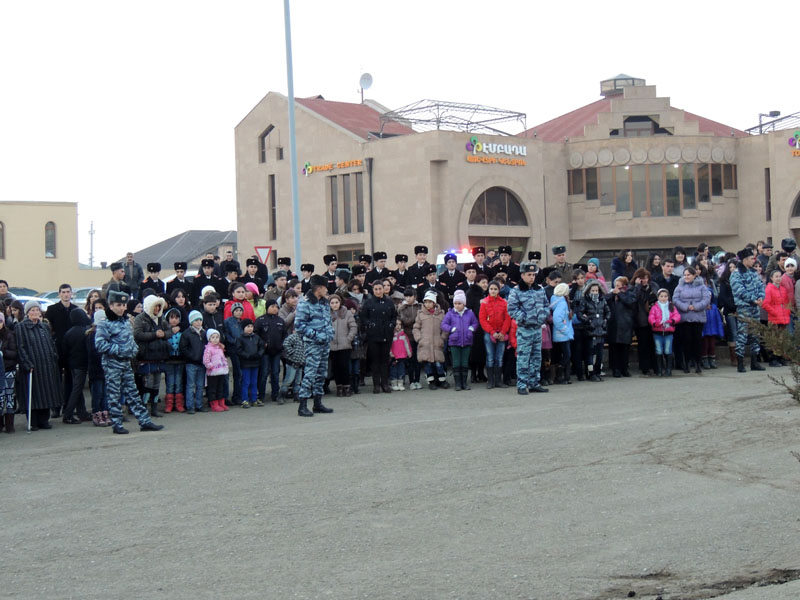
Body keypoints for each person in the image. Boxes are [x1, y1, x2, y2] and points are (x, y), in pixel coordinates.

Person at [95, 290, 164, 434]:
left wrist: (133, 350)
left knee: (133, 393)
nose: (121, 308)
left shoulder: (126, 322)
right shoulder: (104, 324)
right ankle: (117, 423)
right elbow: (100, 345)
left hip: (126, 363)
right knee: (114, 395)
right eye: (118, 305)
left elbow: (131, 340)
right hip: (112, 363)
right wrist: (120, 350)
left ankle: (144, 421)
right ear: (111, 305)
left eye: (123, 305)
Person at [15, 300, 62, 430]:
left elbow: (51, 344)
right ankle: (33, 421)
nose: (35, 312)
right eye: (32, 310)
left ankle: (44, 420)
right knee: (34, 394)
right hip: (32, 367)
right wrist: (27, 363)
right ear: (27, 313)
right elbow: (21, 347)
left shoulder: (44, 326)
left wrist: (54, 356)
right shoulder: (21, 327)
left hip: (47, 366)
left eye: (37, 310)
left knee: (47, 393)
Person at [294, 274, 335, 417]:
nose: (327, 291)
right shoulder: (305, 303)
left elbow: (327, 320)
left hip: (325, 343)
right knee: (310, 373)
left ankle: (318, 403)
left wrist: (330, 333)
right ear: (319, 288)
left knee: (321, 374)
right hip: (313, 344)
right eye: (325, 288)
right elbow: (299, 325)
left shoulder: (323, 302)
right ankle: (303, 405)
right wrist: (317, 335)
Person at [507, 262, 550, 394]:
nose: (532, 277)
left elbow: (546, 305)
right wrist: (524, 318)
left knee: (536, 357)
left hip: (537, 328)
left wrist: (543, 316)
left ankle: (534, 382)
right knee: (523, 358)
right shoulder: (516, 290)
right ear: (523, 275)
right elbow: (512, 309)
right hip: (525, 329)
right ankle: (521, 384)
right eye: (529, 275)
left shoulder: (540, 289)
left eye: (533, 274)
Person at [45, 283, 80, 418]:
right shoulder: (52, 309)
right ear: (59, 294)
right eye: (63, 292)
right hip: (57, 349)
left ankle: (68, 406)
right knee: (56, 379)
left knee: (71, 380)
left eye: (68, 292)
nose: (66, 294)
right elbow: (47, 328)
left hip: (72, 351)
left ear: (71, 294)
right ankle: (55, 407)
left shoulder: (76, 310)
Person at [132, 295, 171, 417]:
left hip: (159, 355)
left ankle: (154, 408)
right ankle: (144, 408)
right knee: (148, 383)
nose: (158, 308)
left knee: (157, 383)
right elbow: (137, 334)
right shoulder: (140, 318)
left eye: (159, 306)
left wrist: (163, 334)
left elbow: (169, 331)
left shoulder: (161, 318)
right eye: (155, 306)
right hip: (146, 356)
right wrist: (155, 334)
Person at [672, 267, 711, 374]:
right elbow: (675, 299)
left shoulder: (702, 286)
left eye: (688, 275)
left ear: (694, 275)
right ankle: (687, 362)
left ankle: (698, 362)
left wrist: (696, 306)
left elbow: (706, 299)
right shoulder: (679, 286)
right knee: (686, 341)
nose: (686, 277)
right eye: (685, 275)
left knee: (697, 341)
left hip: (698, 317)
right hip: (684, 318)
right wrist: (685, 307)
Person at [361, 280, 398, 394]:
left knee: (385, 360)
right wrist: (369, 325)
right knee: (375, 361)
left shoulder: (389, 302)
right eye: (376, 289)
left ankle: (385, 384)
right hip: (373, 335)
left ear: (383, 289)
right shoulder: (368, 303)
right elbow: (363, 317)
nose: (378, 291)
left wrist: (392, 325)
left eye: (380, 289)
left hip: (386, 334)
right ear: (373, 290)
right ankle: (376, 384)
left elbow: (394, 316)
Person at [441, 290, 479, 391]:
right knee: (456, 362)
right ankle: (458, 383)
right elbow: (444, 324)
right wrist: (451, 329)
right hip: (454, 342)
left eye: (459, 303)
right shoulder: (450, 313)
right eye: (455, 303)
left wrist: (471, 329)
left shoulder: (469, 313)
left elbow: (475, 323)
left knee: (464, 362)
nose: (457, 306)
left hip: (467, 341)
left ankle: (464, 383)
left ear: (464, 304)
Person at [61, 309, 93, 423]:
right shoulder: (86, 332)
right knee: (77, 389)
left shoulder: (69, 333)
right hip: (82, 364)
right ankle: (68, 414)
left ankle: (82, 413)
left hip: (72, 364)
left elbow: (65, 351)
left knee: (77, 389)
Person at [413, 291, 448, 390]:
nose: (427, 304)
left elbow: (444, 328)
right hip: (425, 344)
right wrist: (419, 338)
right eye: (426, 302)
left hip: (437, 343)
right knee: (427, 364)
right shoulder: (420, 314)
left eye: (430, 302)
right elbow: (416, 328)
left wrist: (442, 338)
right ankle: (431, 381)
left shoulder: (441, 314)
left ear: (434, 303)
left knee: (438, 363)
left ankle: (442, 380)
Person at [479, 280, 510, 390]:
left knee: (499, 357)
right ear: (488, 289)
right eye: (491, 289)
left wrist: (502, 332)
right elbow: (482, 320)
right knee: (490, 357)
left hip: (501, 332)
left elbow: (507, 318)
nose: (493, 291)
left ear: (499, 290)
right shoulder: (484, 303)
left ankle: (498, 381)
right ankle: (490, 381)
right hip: (489, 333)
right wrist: (492, 332)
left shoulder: (504, 303)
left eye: (495, 289)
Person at [255, 299, 287, 404]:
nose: (274, 308)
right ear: (267, 307)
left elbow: (284, 335)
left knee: (275, 373)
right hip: (265, 352)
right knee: (264, 373)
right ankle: (261, 395)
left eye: (276, 307)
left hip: (277, 351)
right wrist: (262, 343)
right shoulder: (260, 320)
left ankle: (275, 394)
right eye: (272, 306)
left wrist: (281, 345)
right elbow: (256, 335)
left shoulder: (280, 321)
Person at [578, 280, 610, 382]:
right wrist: (588, 321)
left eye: (596, 290)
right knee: (591, 353)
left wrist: (605, 320)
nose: (595, 292)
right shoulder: (585, 300)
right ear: (588, 291)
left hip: (601, 330)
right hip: (590, 331)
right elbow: (580, 314)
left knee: (600, 354)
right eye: (593, 290)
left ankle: (598, 372)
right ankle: (590, 373)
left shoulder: (602, 300)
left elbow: (608, 311)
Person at [606, 276, 636, 378]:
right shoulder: (611, 295)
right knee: (614, 349)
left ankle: (624, 369)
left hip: (625, 325)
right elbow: (605, 300)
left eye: (619, 285)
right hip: (613, 325)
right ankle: (615, 369)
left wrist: (620, 294)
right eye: (615, 285)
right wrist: (612, 294)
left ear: (624, 285)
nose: (616, 287)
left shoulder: (629, 294)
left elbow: (630, 302)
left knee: (625, 349)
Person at [329, 294, 357, 396]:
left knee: (344, 366)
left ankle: (347, 386)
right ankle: (339, 387)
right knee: (336, 368)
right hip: (332, 345)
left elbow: (353, 327)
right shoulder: (327, 314)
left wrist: (348, 339)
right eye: (332, 303)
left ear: (340, 303)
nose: (335, 305)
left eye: (336, 302)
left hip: (344, 345)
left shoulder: (347, 313)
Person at [180, 310, 208, 413]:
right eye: (196, 320)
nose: (199, 322)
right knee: (190, 385)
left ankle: (199, 405)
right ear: (191, 322)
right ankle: (190, 406)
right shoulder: (187, 334)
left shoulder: (204, 333)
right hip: (191, 363)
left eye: (200, 320)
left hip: (202, 363)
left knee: (200, 385)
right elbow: (183, 348)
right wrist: (191, 357)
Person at [86, 311, 111, 426]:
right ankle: (97, 412)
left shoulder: (108, 334)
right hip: (96, 369)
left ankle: (105, 412)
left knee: (105, 393)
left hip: (106, 369)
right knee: (97, 392)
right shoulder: (91, 335)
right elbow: (93, 353)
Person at [649, 288, 681, 376]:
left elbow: (677, 316)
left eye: (665, 296)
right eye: (661, 296)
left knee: (668, 350)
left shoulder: (671, 306)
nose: (663, 298)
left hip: (668, 331)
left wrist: (672, 321)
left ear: (668, 297)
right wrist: (655, 323)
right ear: (658, 297)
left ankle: (668, 369)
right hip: (658, 331)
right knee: (658, 350)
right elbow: (651, 317)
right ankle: (659, 369)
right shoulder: (654, 307)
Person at [632, 268, 658, 376]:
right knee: (643, 345)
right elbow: (635, 299)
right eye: (642, 278)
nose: (645, 280)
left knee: (653, 344)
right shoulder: (634, 289)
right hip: (641, 320)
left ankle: (655, 366)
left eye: (646, 278)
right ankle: (644, 367)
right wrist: (637, 286)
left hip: (654, 319)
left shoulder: (654, 286)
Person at [763, 267, 791, 366]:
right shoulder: (769, 289)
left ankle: (781, 357)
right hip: (774, 317)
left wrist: (787, 311)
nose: (778, 278)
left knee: (782, 338)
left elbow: (787, 302)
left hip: (783, 316)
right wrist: (774, 312)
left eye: (780, 276)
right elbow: (765, 304)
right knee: (774, 339)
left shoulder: (783, 289)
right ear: (771, 278)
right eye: (776, 277)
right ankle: (773, 359)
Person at [549, 283, 574, 384]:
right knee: (567, 355)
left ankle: (563, 376)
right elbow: (557, 319)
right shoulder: (562, 303)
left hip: (561, 334)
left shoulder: (557, 300)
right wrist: (566, 330)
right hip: (562, 334)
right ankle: (560, 375)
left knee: (563, 355)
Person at [398, 288, 423, 390]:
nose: (408, 298)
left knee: (418, 360)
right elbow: (405, 320)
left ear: (415, 296)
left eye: (410, 296)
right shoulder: (402, 308)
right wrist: (416, 320)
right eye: (406, 296)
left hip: (418, 336)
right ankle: (411, 381)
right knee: (410, 360)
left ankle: (417, 380)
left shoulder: (420, 306)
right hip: (407, 337)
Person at [234, 319, 262, 408]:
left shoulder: (256, 337)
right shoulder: (240, 338)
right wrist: (247, 356)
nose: (250, 329)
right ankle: (245, 399)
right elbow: (238, 350)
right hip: (245, 363)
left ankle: (254, 399)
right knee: (246, 382)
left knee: (254, 381)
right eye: (247, 327)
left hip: (255, 362)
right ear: (243, 328)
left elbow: (261, 347)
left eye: (251, 326)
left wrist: (258, 354)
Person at [162, 307, 185, 413]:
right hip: (169, 360)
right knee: (170, 382)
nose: (174, 320)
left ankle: (179, 403)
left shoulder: (182, 333)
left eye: (176, 318)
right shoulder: (165, 333)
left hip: (180, 360)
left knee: (179, 381)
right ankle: (169, 403)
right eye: (172, 318)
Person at [202, 329, 229, 412]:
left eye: (217, 337)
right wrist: (211, 366)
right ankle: (214, 404)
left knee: (220, 387)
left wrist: (225, 365)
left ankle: (221, 402)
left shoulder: (219, 348)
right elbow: (206, 360)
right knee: (212, 389)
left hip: (221, 371)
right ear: (209, 339)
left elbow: (223, 358)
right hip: (212, 373)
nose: (215, 339)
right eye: (213, 337)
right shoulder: (208, 349)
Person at [0, 313, 18, 433]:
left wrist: (2, 353)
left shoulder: (9, 335)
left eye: (0, 321)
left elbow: (14, 353)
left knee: (9, 396)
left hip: (8, 369)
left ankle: (10, 424)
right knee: (0, 398)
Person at [279, 329, 305, 403]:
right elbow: (285, 343)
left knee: (298, 381)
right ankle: (281, 395)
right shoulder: (293, 337)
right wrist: (292, 352)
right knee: (288, 380)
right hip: (292, 362)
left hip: (300, 363)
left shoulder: (305, 339)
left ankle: (296, 395)